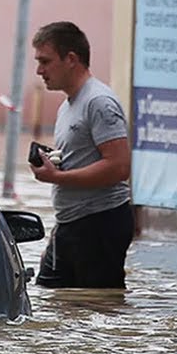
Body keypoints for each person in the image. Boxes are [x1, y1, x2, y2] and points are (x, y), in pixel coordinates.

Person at [28, 21, 134, 289]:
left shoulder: (99, 101)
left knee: (96, 310)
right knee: (53, 301)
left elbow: (119, 166)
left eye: (45, 61)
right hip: (70, 223)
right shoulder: (69, 103)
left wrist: (57, 178)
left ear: (71, 59)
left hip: (100, 222)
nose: (39, 70)